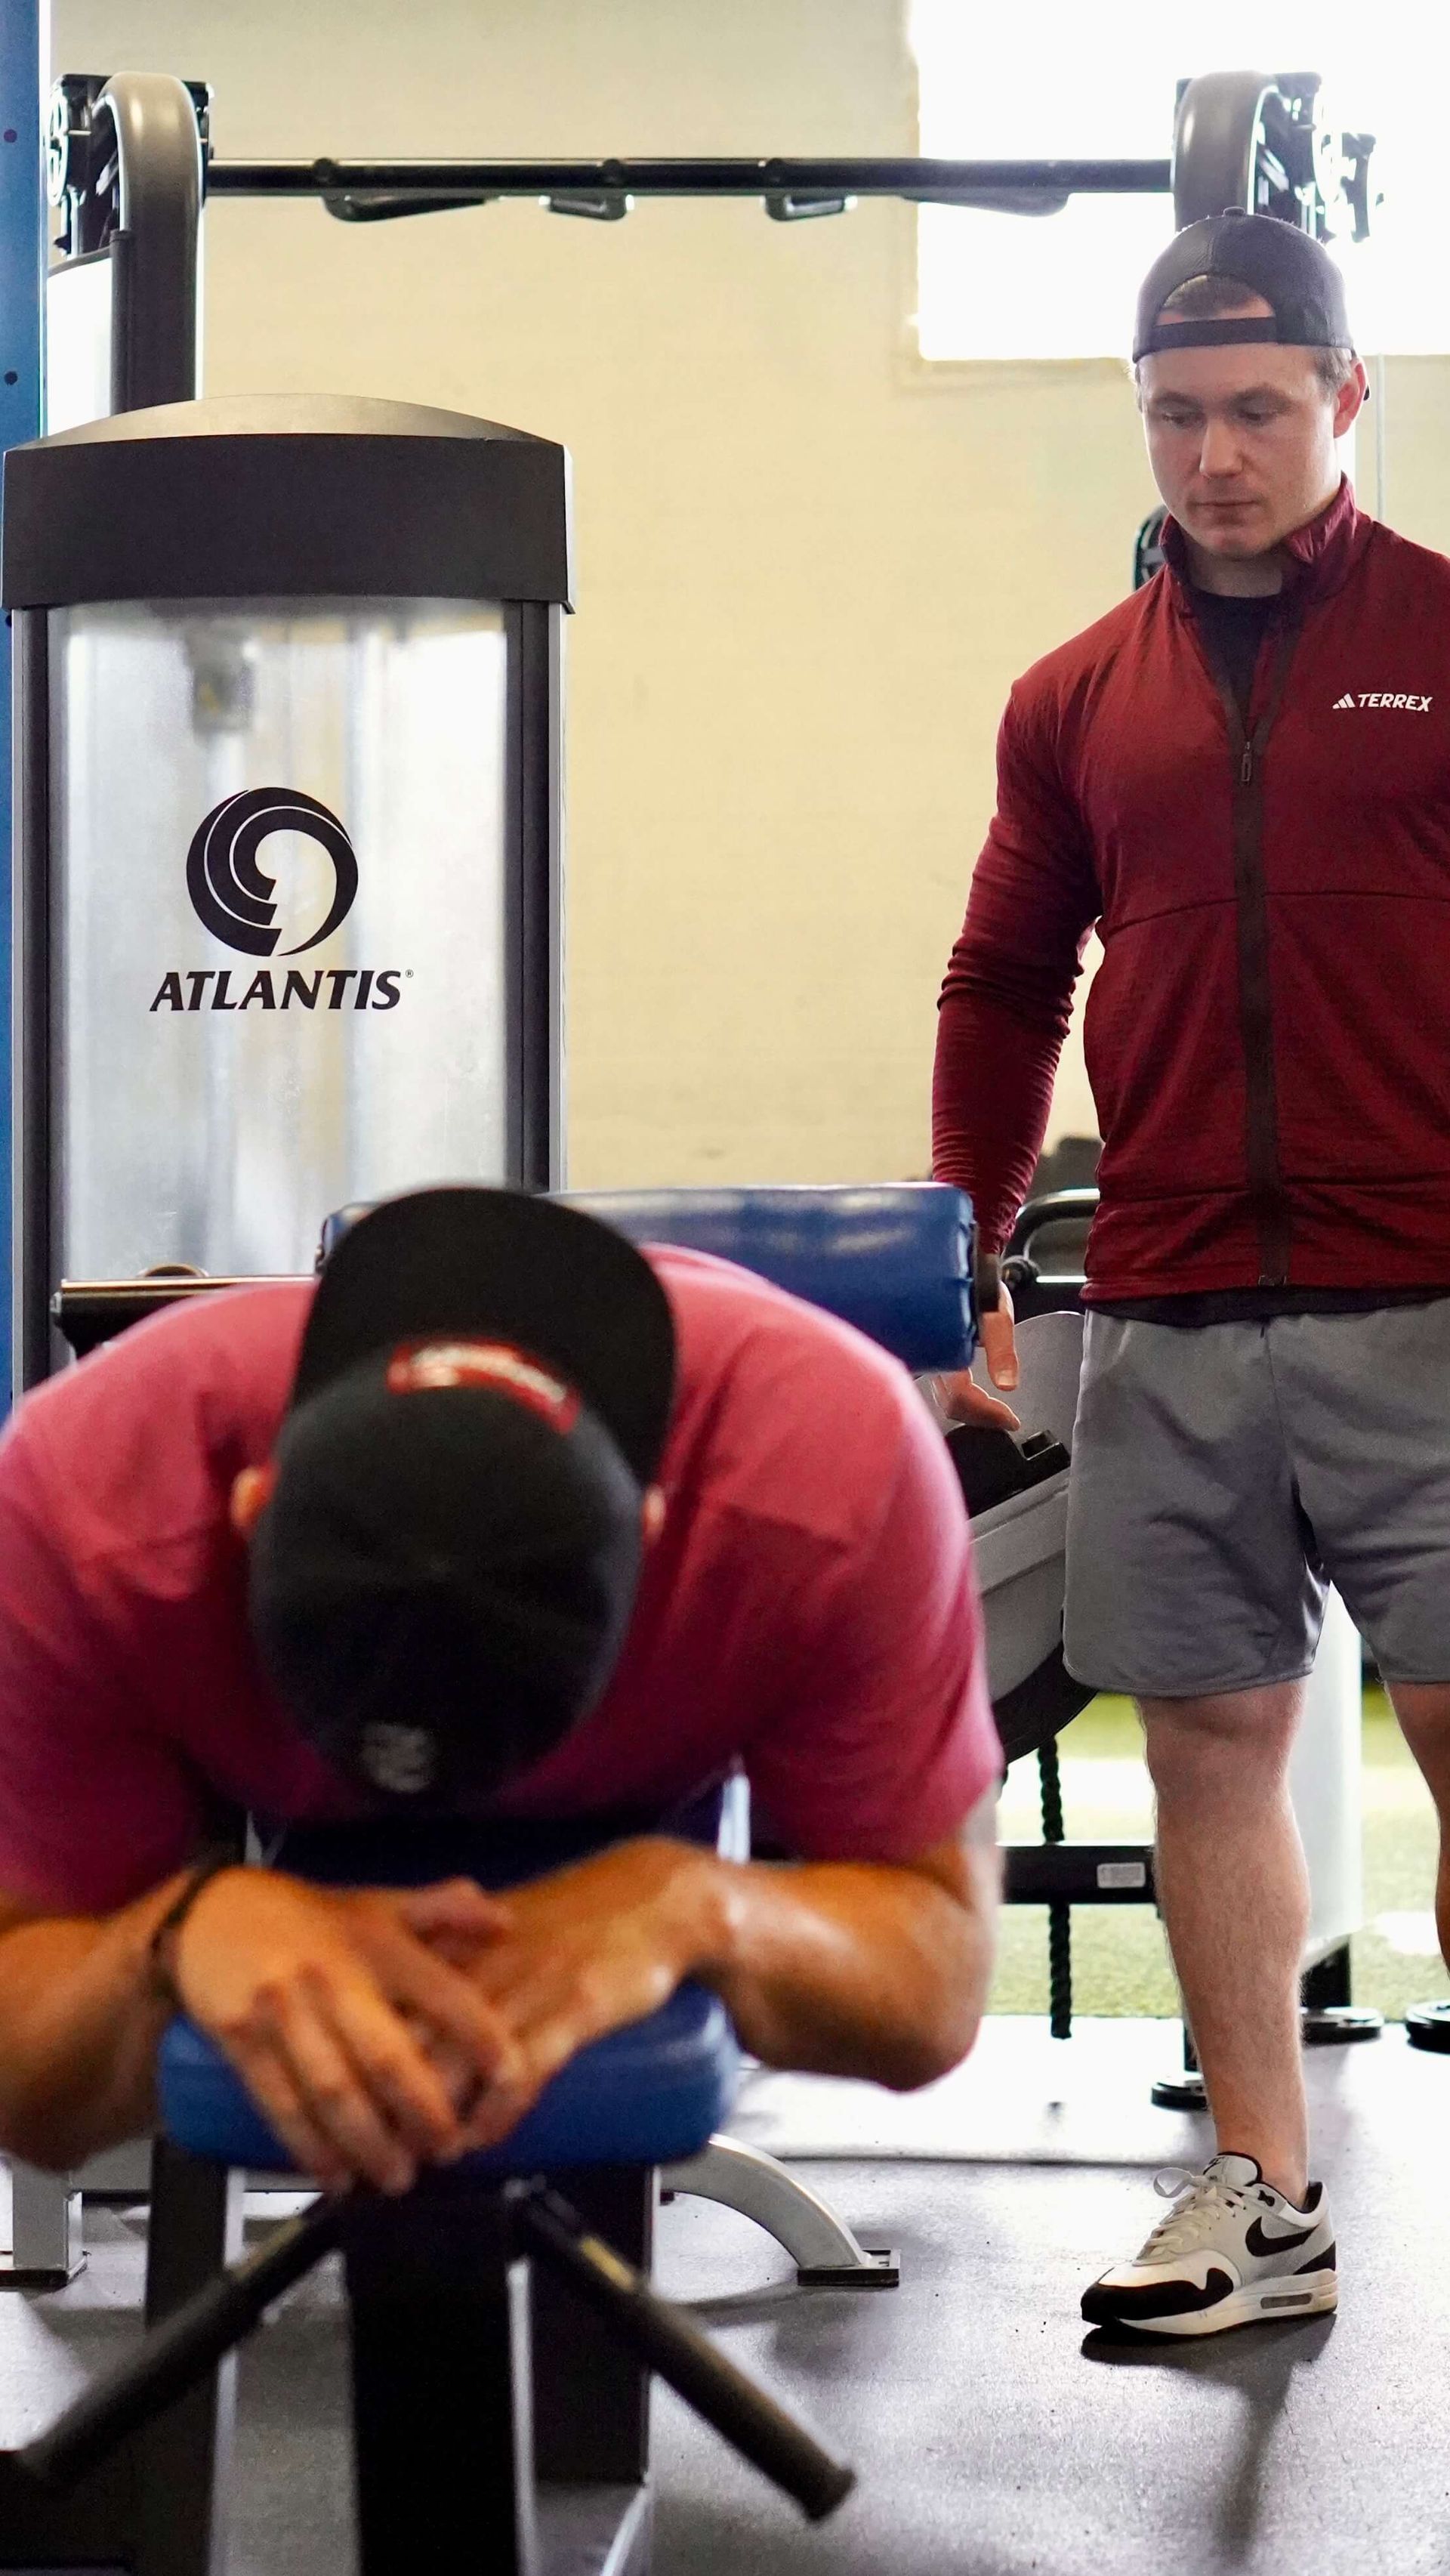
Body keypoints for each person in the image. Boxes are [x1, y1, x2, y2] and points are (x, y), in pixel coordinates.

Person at [933, 208, 1450, 2337]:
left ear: (1346, 401)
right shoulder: (1073, 698)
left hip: (1430, 1290)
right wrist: (962, 1257)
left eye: (1255, 409)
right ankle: (1263, 2195)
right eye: (1174, 414)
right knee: (1212, 1739)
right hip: (1160, 1299)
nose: (1214, 454)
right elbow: (999, 980)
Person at [0, 1185, 999, 2198]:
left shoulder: (829, 1472)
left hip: (659, 1769)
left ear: (651, 1535)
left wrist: (701, 1905)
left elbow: (938, 1980)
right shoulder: (87, 1499)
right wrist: (175, 1931)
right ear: (250, 1512)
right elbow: (20, 2077)